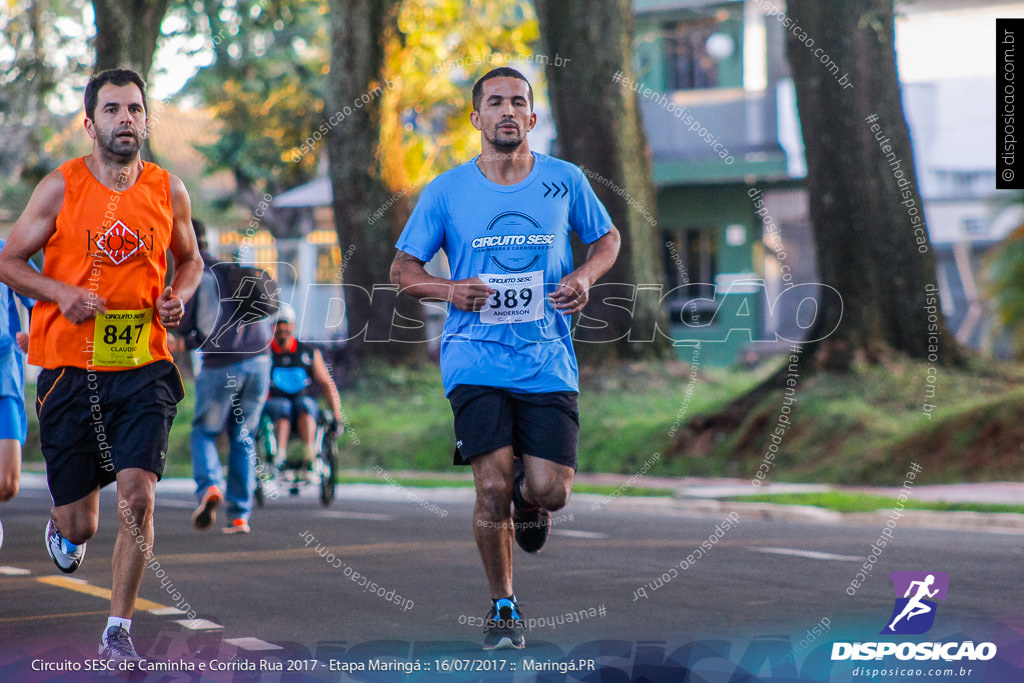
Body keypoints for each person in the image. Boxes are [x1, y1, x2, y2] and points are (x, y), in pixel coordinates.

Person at [390, 67, 620, 650]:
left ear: (533, 119)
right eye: (496, 102)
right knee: (488, 488)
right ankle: (503, 605)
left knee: (551, 491)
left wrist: (585, 276)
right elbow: (402, 272)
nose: (508, 111)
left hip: (546, 356)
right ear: (478, 119)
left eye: (519, 102)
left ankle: (529, 497)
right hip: (473, 356)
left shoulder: (565, 181)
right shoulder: (446, 191)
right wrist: (450, 290)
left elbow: (608, 239)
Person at [0, 68, 203, 662]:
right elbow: (9, 260)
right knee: (83, 523)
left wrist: (179, 295)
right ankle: (65, 527)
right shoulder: (59, 187)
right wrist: (59, 294)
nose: (125, 119)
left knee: (138, 497)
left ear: (146, 119)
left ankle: (118, 629)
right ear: (90, 123)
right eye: (112, 109)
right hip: (69, 368)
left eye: (135, 109)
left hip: (143, 364)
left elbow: (190, 261)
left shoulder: (170, 189)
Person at [182, 219, 272, 535]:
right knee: (243, 437)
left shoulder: (197, 274)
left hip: (223, 364)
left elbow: (195, 328)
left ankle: (209, 486)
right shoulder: (230, 270)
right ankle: (239, 515)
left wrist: (185, 340)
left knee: (204, 432)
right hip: (261, 362)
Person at [265, 302, 343, 477]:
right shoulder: (265, 353)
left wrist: (337, 416)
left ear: (293, 325)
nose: (282, 328)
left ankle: (311, 456)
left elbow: (326, 384)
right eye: (278, 324)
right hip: (276, 405)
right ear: (272, 327)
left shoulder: (308, 352)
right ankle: (280, 457)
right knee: (282, 407)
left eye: (286, 323)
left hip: (301, 403)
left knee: (306, 405)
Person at [0, 242, 35, 553]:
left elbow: (42, 300)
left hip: (3, 374)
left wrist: (37, 335)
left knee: (7, 484)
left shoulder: (5, 252)